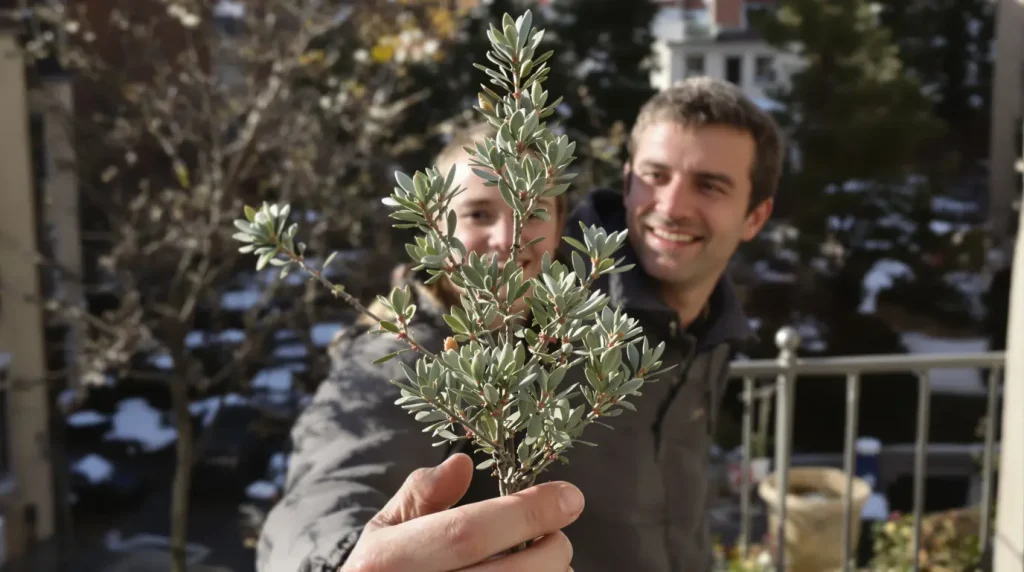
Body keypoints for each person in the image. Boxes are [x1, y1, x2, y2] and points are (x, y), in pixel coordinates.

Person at [257, 76, 784, 572]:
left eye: (710, 186)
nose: (672, 206)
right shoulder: (524, 322)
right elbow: (331, 484)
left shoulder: (711, 332)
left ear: (755, 216)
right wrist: (341, 562)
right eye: (656, 176)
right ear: (627, 183)